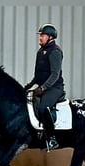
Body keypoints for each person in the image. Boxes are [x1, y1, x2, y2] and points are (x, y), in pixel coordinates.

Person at [24, 23, 65, 151]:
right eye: (40, 35)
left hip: (54, 88)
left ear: (50, 37)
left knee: (42, 108)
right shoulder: (40, 52)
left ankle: (52, 139)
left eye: (42, 35)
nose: (40, 38)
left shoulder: (55, 52)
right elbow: (37, 75)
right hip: (43, 86)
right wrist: (27, 87)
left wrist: (43, 88)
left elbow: (55, 74)